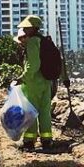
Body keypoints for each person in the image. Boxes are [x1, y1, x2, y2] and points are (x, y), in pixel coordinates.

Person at [15, 15, 55, 151]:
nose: (24, 30)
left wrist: (23, 77)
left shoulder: (32, 42)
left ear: (32, 28)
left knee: (30, 111)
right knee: (45, 112)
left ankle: (29, 140)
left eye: (26, 28)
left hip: (33, 83)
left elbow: (33, 64)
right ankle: (47, 140)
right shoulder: (45, 41)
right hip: (46, 82)